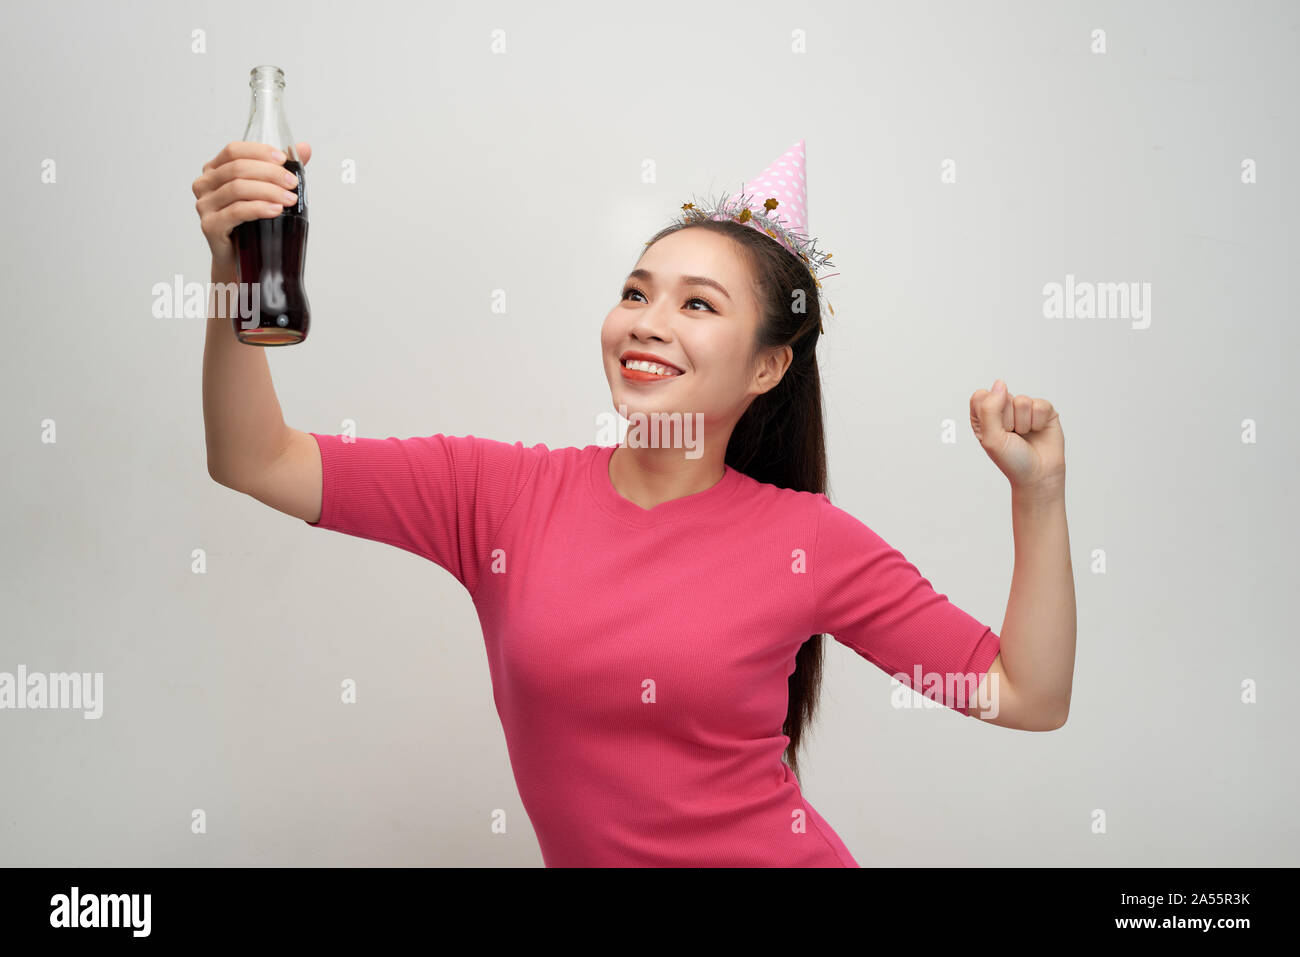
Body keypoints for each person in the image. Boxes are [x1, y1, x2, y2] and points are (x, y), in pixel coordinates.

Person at [195, 138, 1077, 867]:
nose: (648, 321)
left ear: (768, 368)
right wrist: (234, 265)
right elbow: (255, 457)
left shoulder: (809, 541)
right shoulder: (495, 496)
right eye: (635, 292)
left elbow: (1023, 693)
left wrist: (1039, 495)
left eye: (698, 304)